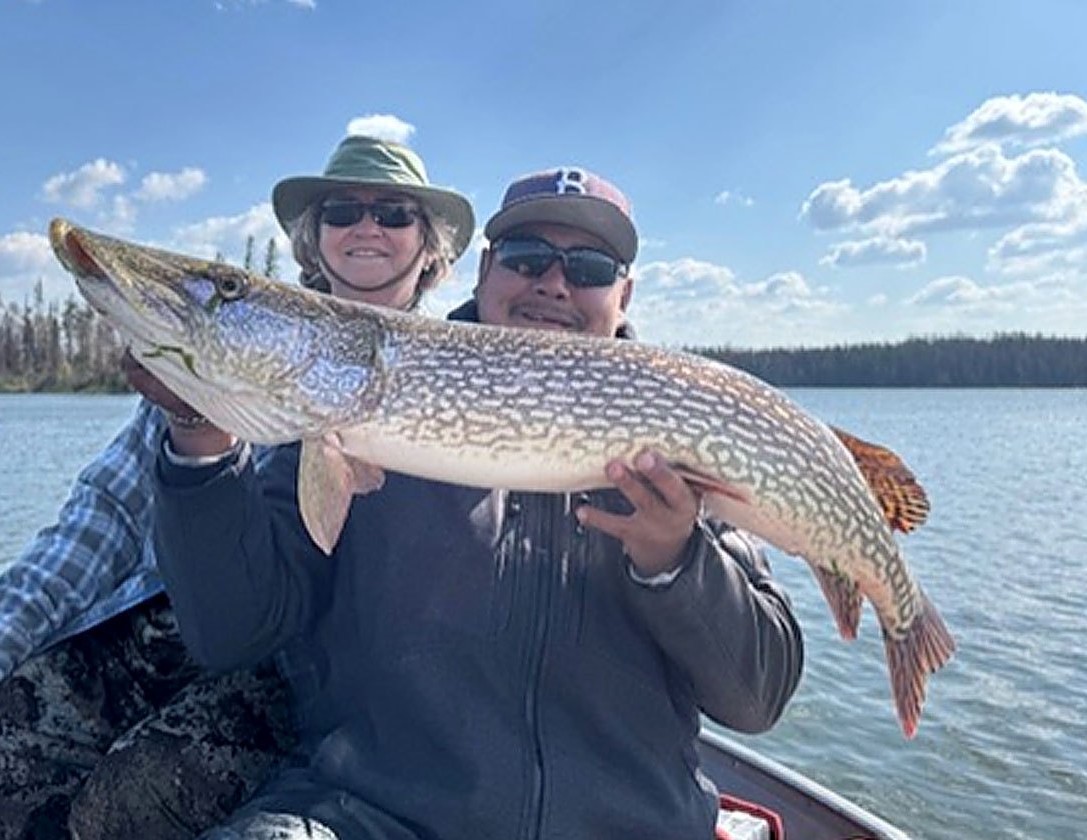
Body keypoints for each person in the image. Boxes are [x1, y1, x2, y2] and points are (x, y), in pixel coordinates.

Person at [151, 167, 805, 840]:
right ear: (486, 269)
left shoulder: (684, 439)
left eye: (589, 268)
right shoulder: (348, 411)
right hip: (376, 818)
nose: (554, 284)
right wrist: (199, 439)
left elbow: (757, 698)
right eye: (526, 258)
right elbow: (234, 631)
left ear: (625, 294)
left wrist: (676, 561)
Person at [0, 134, 475, 840]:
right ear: (315, 240)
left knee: (129, 799)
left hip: (301, 692)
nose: (367, 226)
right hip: (158, 644)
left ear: (430, 249)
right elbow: (100, 519)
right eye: (342, 211)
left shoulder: (458, 383)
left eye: (394, 214)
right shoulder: (215, 355)